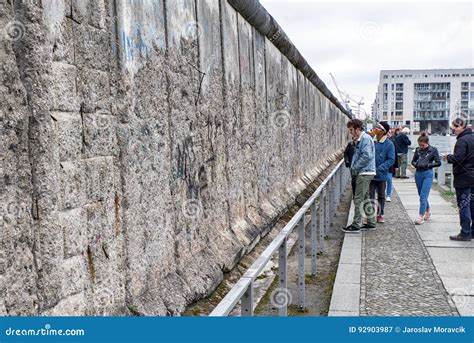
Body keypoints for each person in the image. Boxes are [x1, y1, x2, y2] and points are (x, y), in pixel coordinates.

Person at [342, 119, 376, 233]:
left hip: (364, 172)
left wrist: (355, 167)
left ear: (357, 129)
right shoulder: (363, 139)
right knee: (365, 197)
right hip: (366, 171)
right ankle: (371, 222)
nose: (351, 132)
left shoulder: (365, 139)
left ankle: (356, 224)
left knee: (358, 198)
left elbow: (366, 156)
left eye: (351, 130)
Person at [443, 118, 474, 241]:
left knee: (464, 205)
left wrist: (448, 157)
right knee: (472, 204)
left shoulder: (462, 141)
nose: (453, 129)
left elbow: (458, 159)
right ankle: (472, 231)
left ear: (463, 127)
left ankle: (465, 232)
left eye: (455, 127)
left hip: (463, 178)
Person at [411, 132, 441, 225]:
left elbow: (438, 162)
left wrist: (428, 165)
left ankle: (420, 216)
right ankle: (428, 211)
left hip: (428, 173)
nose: (421, 147)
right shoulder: (417, 150)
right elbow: (413, 161)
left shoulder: (433, 150)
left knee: (423, 196)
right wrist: (416, 165)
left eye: (422, 145)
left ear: (427, 143)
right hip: (418, 173)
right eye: (420, 145)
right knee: (421, 195)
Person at [370, 122, 395, 223]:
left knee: (381, 195)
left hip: (382, 175)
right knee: (370, 195)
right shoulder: (371, 141)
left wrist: (380, 168)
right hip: (370, 174)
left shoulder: (389, 144)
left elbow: (391, 159)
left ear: (383, 131)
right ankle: (370, 216)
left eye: (378, 128)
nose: (375, 128)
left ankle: (380, 214)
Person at [386, 130, 398, 202]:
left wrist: (396, 166)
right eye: (387, 132)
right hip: (382, 163)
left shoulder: (393, 142)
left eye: (389, 133)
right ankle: (383, 193)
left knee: (389, 180)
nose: (388, 134)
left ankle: (388, 195)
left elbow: (395, 154)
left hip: (390, 165)